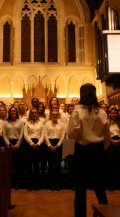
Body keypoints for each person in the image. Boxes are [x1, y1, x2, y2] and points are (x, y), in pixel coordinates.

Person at [67, 83, 111, 217]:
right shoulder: (102, 112)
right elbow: (107, 136)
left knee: (80, 188)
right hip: (98, 151)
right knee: (99, 187)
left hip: (82, 151)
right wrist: (100, 148)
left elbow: (71, 134)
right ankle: (105, 213)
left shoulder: (77, 110)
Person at [3, 106, 24, 188]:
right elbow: (4, 134)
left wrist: (17, 145)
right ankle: (10, 183)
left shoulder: (21, 122)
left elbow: (22, 134)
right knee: (10, 164)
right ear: (9, 112)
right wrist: (8, 144)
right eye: (11, 111)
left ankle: (17, 183)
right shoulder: (5, 123)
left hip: (18, 144)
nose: (13, 112)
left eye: (14, 111)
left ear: (16, 112)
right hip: (9, 144)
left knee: (18, 164)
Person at [24, 107, 44, 190]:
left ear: (37, 114)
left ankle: (36, 184)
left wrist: (38, 143)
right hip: (29, 145)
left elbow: (43, 134)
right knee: (29, 165)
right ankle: (29, 184)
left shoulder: (41, 123)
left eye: (35, 113)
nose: (34, 114)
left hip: (38, 145)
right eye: (32, 113)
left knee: (36, 166)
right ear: (30, 114)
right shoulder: (27, 123)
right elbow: (25, 135)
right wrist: (32, 144)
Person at [45, 109, 65, 191]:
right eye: (53, 115)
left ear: (58, 116)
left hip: (58, 145)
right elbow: (45, 135)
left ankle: (57, 184)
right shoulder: (46, 124)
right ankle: (51, 184)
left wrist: (57, 145)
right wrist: (49, 145)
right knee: (50, 165)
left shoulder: (61, 125)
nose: (55, 116)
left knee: (57, 166)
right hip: (49, 144)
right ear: (50, 115)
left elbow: (63, 136)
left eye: (56, 115)